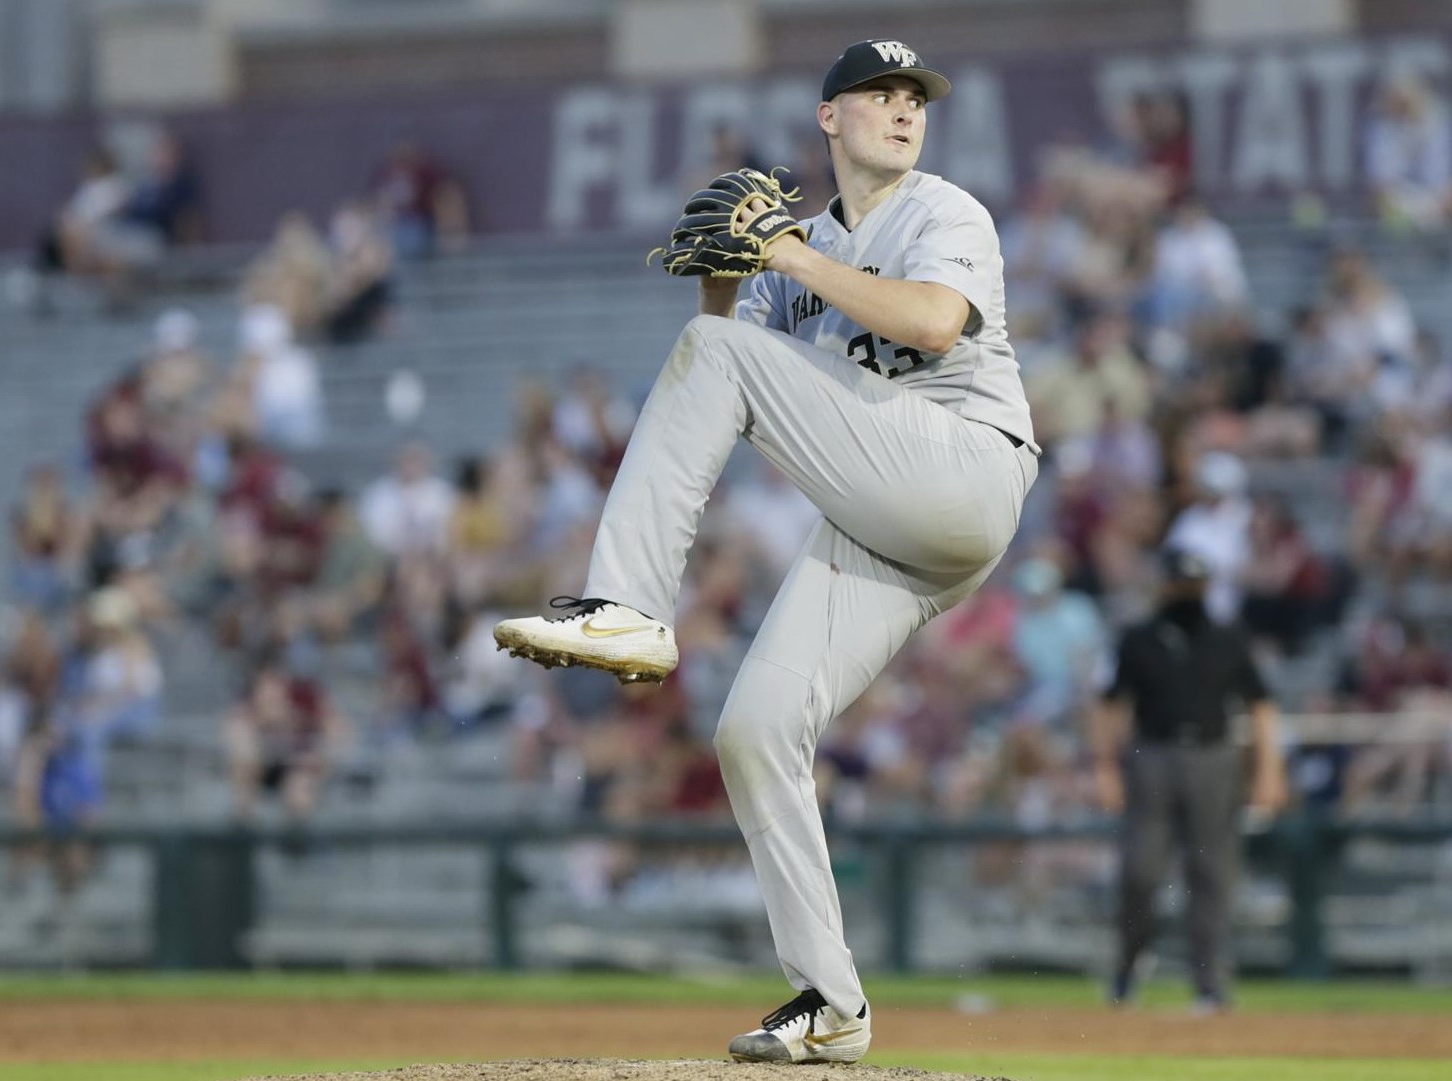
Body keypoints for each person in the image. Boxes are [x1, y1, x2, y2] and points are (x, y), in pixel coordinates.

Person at [493, 39, 1036, 1065]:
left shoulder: (943, 211)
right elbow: (727, 348)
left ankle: (626, 605)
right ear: (828, 118)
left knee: (721, 355)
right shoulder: (815, 241)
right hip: (886, 518)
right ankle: (829, 1001)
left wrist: (780, 253)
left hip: (963, 468)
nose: (901, 107)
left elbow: (928, 324)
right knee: (752, 729)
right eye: (877, 92)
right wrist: (720, 277)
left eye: (913, 95)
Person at [1090, 548, 1287, 1013]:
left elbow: (1259, 705)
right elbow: (1110, 703)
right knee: (1140, 870)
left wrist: (1269, 771)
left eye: (1196, 586)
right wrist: (1103, 768)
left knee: (1213, 873)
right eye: (1182, 585)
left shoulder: (1227, 637)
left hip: (1213, 756)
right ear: (1165, 586)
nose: (1189, 594)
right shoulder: (1138, 637)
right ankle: (1129, 967)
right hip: (1151, 754)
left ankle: (1211, 984)